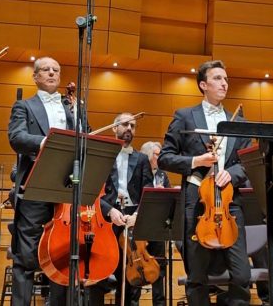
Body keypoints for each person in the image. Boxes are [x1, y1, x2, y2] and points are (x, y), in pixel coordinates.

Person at [159, 60, 252, 306]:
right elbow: (165, 158)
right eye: (217, 78)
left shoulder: (237, 121)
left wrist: (232, 173)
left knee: (242, 274)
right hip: (197, 202)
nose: (224, 83)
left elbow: (247, 162)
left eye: (226, 79)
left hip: (230, 202)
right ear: (203, 85)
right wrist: (196, 161)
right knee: (197, 276)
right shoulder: (184, 116)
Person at [6, 56, 76, 306]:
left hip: (65, 188)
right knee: (26, 257)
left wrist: (78, 116)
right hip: (34, 186)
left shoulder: (71, 108)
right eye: (45, 69)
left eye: (56, 70)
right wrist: (44, 142)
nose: (52, 73)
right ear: (35, 76)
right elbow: (16, 137)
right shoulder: (24, 106)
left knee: (62, 256)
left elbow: (85, 138)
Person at [93, 112, 153, 306]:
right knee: (99, 272)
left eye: (133, 126)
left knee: (130, 276)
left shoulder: (142, 159)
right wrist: (109, 210)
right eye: (125, 124)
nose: (129, 129)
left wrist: (137, 214)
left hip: (132, 219)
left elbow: (148, 191)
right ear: (114, 128)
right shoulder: (103, 155)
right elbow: (93, 191)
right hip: (106, 220)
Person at [140, 140, 172, 306]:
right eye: (157, 155)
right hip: (140, 226)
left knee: (159, 267)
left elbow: (169, 194)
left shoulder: (162, 174)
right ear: (147, 155)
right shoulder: (138, 171)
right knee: (138, 267)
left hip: (158, 226)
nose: (161, 158)